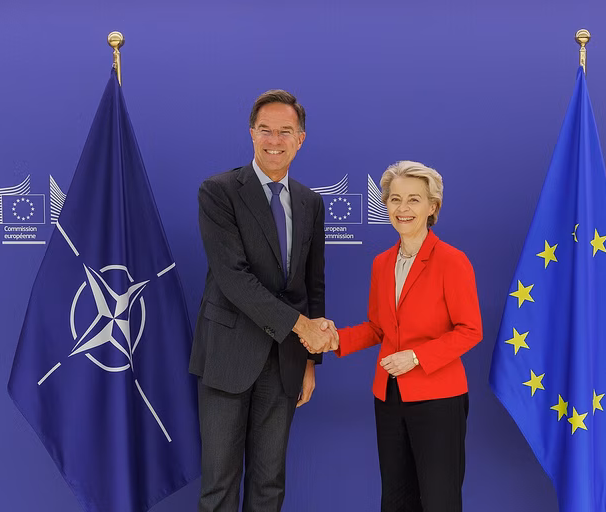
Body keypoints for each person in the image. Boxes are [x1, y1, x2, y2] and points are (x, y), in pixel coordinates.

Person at [190, 89, 338, 512]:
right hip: (226, 358)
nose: (275, 140)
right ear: (252, 134)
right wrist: (303, 328)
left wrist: (310, 359)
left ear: (301, 139)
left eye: (285, 132)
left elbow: (314, 284)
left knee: (269, 485)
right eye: (266, 130)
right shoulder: (218, 192)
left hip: (286, 362)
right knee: (219, 486)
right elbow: (234, 279)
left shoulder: (311, 202)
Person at [310, 160, 482, 512]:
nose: (403, 209)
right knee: (395, 499)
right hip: (388, 396)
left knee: (439, 500)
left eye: (414, 200)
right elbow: (378, 327)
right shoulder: (382, 262)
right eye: (395, 199)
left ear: (433, 207)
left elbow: (470, 330)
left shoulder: (453, 261)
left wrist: (417, 357)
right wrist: (335, 339)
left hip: (438, 398)